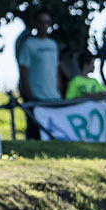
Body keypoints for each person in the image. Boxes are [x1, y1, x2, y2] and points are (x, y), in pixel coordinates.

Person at [17, 9, 65, 139]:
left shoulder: (53, 45)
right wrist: (30, 95)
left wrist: (59, 90)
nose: (44, 25)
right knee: (35, 134)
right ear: (35, 24)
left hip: (53, 97)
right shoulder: (28, 44)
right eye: (41, 22)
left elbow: (55, 69)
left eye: (47, 22)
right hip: (36, 97)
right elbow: (24, 71)